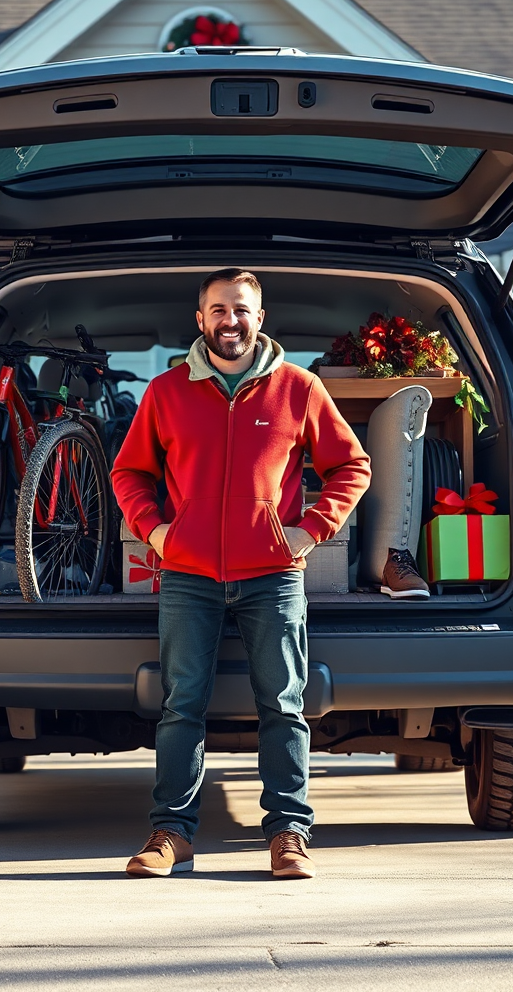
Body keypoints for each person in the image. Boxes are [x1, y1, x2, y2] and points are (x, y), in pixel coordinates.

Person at [111, 268, 371, 879]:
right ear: (200, 320)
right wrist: (156, 532)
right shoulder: (165, 392)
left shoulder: (300, 389)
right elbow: (129, 473)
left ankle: (288, 834)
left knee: (283, 704)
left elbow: (351, 465)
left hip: (273, 575)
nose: (232, 321)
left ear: (261, 317)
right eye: (219, 310)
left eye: (242, 309)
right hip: (187, 573)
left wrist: (309, 530)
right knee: (182, 706)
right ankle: (171, 834)